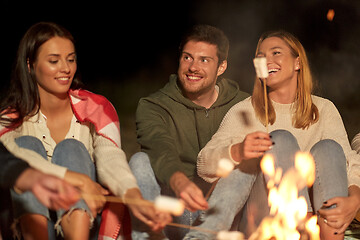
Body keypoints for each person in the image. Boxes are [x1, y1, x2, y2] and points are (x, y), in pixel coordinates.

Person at [0, 22, 171, 240]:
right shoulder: (10, 119)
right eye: (54, 61)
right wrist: (76, 179)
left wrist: (132, 194)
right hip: (27, 227)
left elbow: (111, 157)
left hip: (84, 224)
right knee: (26, 147)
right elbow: (12, 159)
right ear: (30, 65)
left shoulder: (96, 109)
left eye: (71, 59)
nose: (66, 68)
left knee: (72, 148)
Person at [183, 30, 360, 240]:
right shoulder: (245, 111)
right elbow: (204, 165)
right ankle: (298, 230)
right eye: (261, 56)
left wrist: (356, 197)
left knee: (329, 148)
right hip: (264, 220)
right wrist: (237, 151)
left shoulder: (323, 109)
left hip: (320, 221)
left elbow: (349, 161)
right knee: (280, 139)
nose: (266, 60)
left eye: (276, 53)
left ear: (297, 63)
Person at [129, 24, 249, 239]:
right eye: (187, 58)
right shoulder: (154, 106)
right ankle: (149, 235)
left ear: (221, 67)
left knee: (246, 162)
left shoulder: (243, 105)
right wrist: (180, 182)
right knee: (140, 160)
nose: (193, 67)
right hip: (176, 209)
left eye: (204, 60)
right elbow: (159, 147)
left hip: (223, 213)